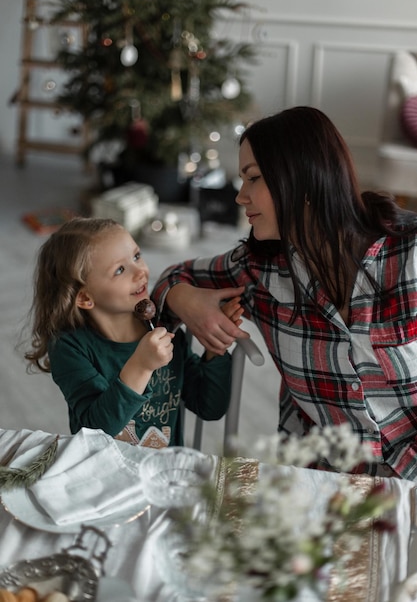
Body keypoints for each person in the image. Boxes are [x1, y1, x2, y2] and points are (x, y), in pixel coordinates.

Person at [152, 105, 417, 480]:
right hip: (323, 481)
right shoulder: (258, 268)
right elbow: (168, 279)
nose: (241, 197)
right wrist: (184, 299)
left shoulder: (409, 256)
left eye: (253, 178)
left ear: (303, 179)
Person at [24, 217, 241, 448]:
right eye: (120, 269)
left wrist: (214, 347)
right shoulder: (69, 347)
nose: (140, 272)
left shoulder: (161, 329)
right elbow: (96, 434)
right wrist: (141, 366)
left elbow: (209, 407)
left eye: (136, 256)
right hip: (104, 473)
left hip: (163, 472)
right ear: (86, 297)